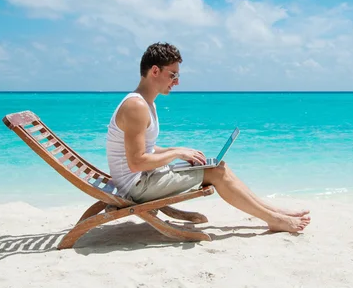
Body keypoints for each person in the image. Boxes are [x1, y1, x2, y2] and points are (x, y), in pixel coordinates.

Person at [106, 42, 311, 233]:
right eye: (173, 75)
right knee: (216, 173)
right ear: (155, 71)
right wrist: (176, 153)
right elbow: (136, 162)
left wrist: (175, 150)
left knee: (220, 166)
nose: (176, 82)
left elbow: (144, 149)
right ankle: (273, 220)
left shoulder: (144, 103)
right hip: (138, 186)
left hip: (142, 179)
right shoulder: (137, 106)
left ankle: (273, 211)